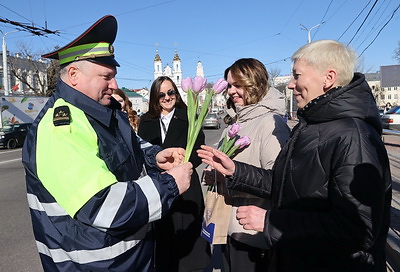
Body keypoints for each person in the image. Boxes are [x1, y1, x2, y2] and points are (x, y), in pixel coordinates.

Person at [197, 40, 392, 272]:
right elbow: (283, 184)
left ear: (328, 78)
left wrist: (270, 222)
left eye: (297, 76)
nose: (290, 85)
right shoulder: (312, 126)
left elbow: (357, 229)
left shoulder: (353, 136)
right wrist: (235, 171)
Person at [22, 15, 193, 272]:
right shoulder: (62, 125)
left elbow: (130, 146)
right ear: (73, 74)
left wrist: (155, 156)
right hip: (94, 265)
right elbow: (104, 205)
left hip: (125, 260)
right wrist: (170, 184)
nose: (114, 85)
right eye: (106, 76)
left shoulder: (104, 112)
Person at [204, 58, 290, 272]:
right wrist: (213, 173)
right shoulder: (234, 124)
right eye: (230, 85)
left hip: (252, 234)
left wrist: (232, 174)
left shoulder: (271, 123)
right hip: (228, 227)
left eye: (238, 85)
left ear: (255, 83)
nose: (231, 91)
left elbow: (278, 182)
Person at [137, 76, 211, 271]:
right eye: (161, 94)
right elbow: (142, 152)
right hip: (159, 182)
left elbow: (199, 148)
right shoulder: (146, 120)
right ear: (154, 97)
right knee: (164, 231)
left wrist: (184, 161)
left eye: (171, 92)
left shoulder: (188, 116)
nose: (167, 97)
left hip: (186, 181)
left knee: (188, 229)